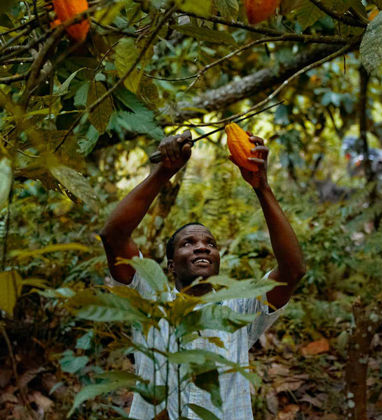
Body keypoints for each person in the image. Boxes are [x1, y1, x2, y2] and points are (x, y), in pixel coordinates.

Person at [100, 130, 306, 420]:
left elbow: (292, 270)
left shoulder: (239, 308)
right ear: (171, 265)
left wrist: (262, 188)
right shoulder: (150, 300)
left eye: (210, 244)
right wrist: (164, 172)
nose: (203, 248)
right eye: (189, 243)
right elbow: (113, 236)